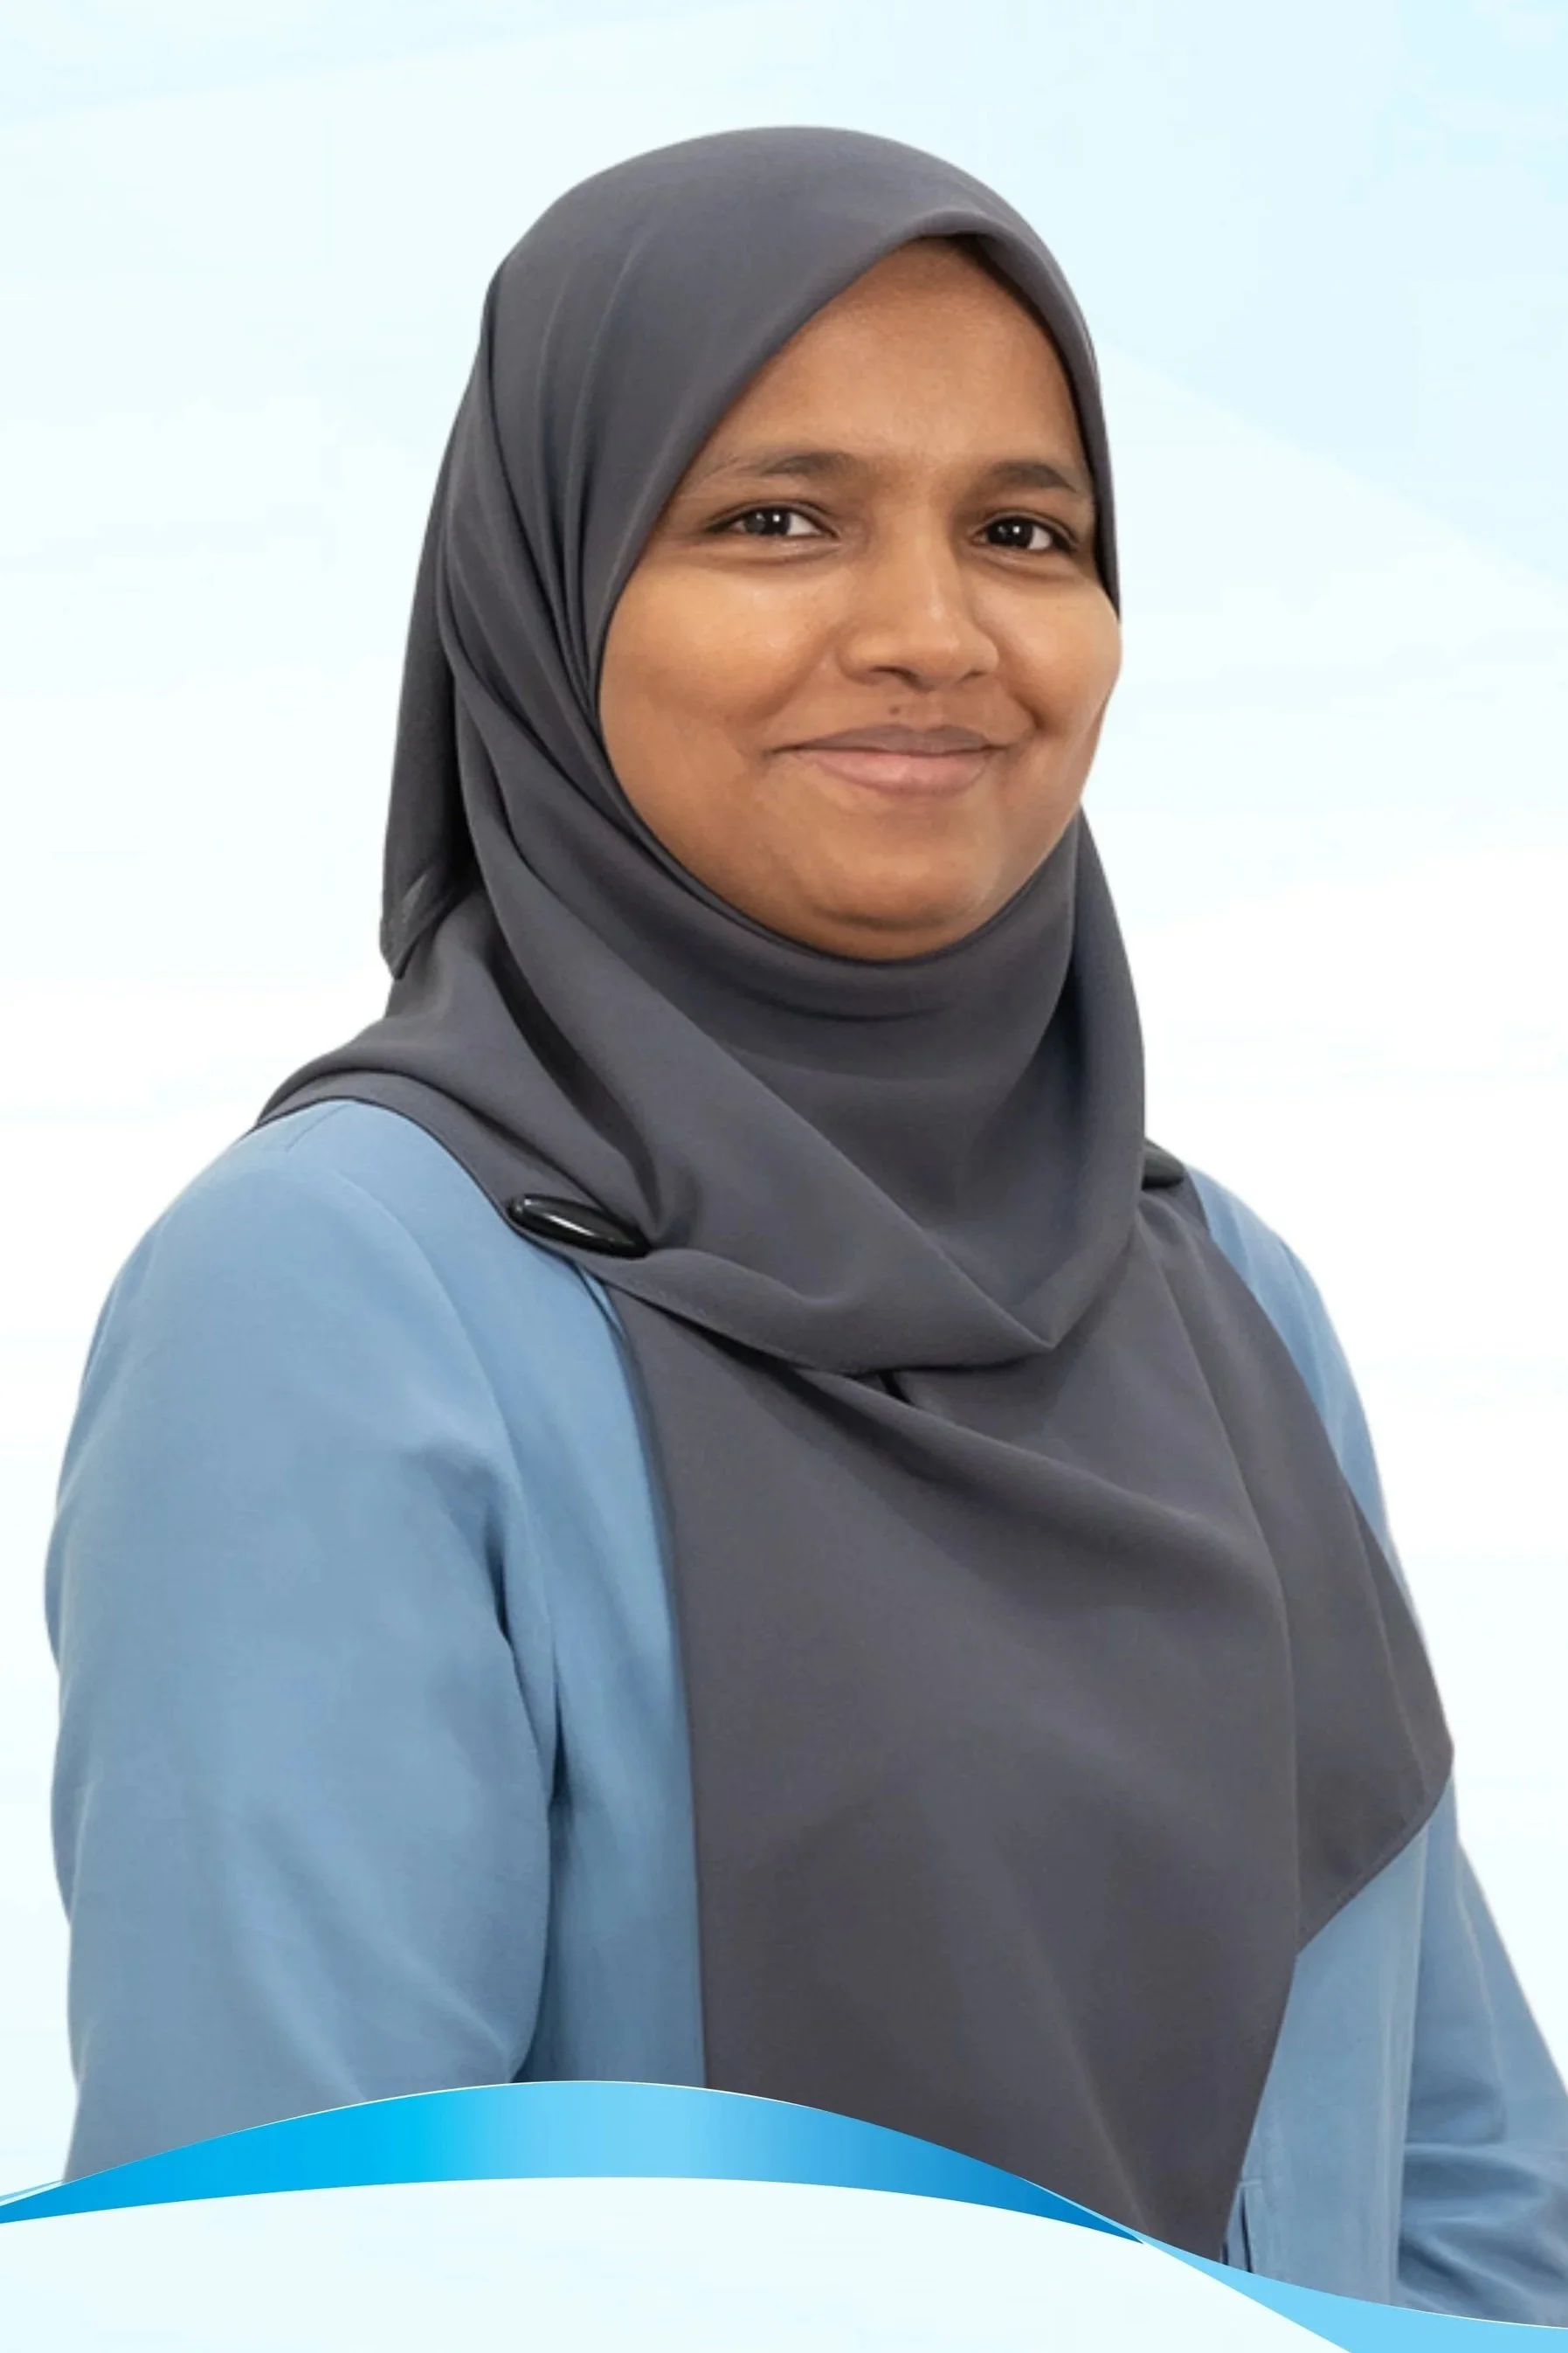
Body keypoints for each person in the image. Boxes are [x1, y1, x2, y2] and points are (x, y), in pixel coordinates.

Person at [45, 127, 1568, 2315]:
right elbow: (288, 2271)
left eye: (1024, 532)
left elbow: (1465, 2190)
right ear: (552, 594)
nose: (934, 633)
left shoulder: (1224, 1301)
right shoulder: (345, 1303)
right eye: (779, 518)